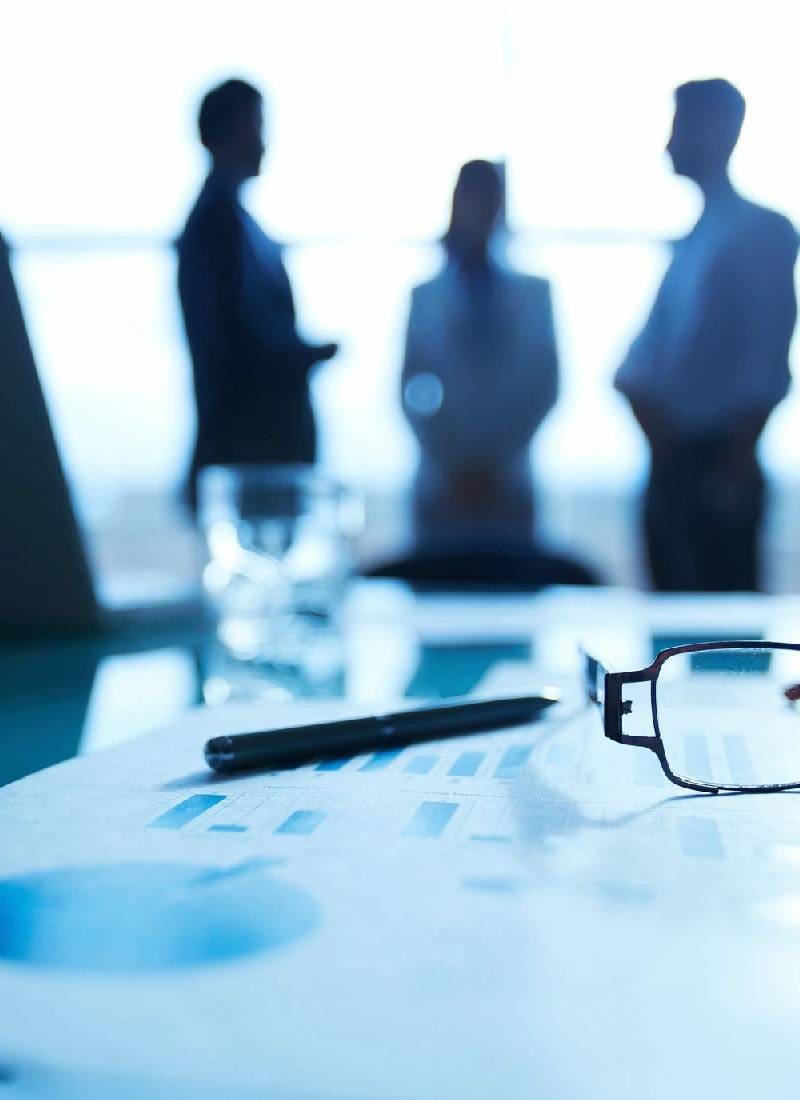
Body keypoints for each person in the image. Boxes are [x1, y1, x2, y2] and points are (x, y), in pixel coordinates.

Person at [615, 79, 798, 592]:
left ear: (718, 129)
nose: (669, 143)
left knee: (720, 647)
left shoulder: (762, 231)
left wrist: (731, 461)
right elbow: (635, 366)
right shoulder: (695, 238)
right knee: (667, 645)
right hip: (674, 465)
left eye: (680, 125)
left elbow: (764, 364)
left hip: (715, 469)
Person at [177, 79, 338, 509]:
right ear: (224, 134)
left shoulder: (234, 222)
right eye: (256, 125)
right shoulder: (216, 226)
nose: (265, 142)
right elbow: (237, 344)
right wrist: (306, 355)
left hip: (259, 458)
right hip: (248, 457)